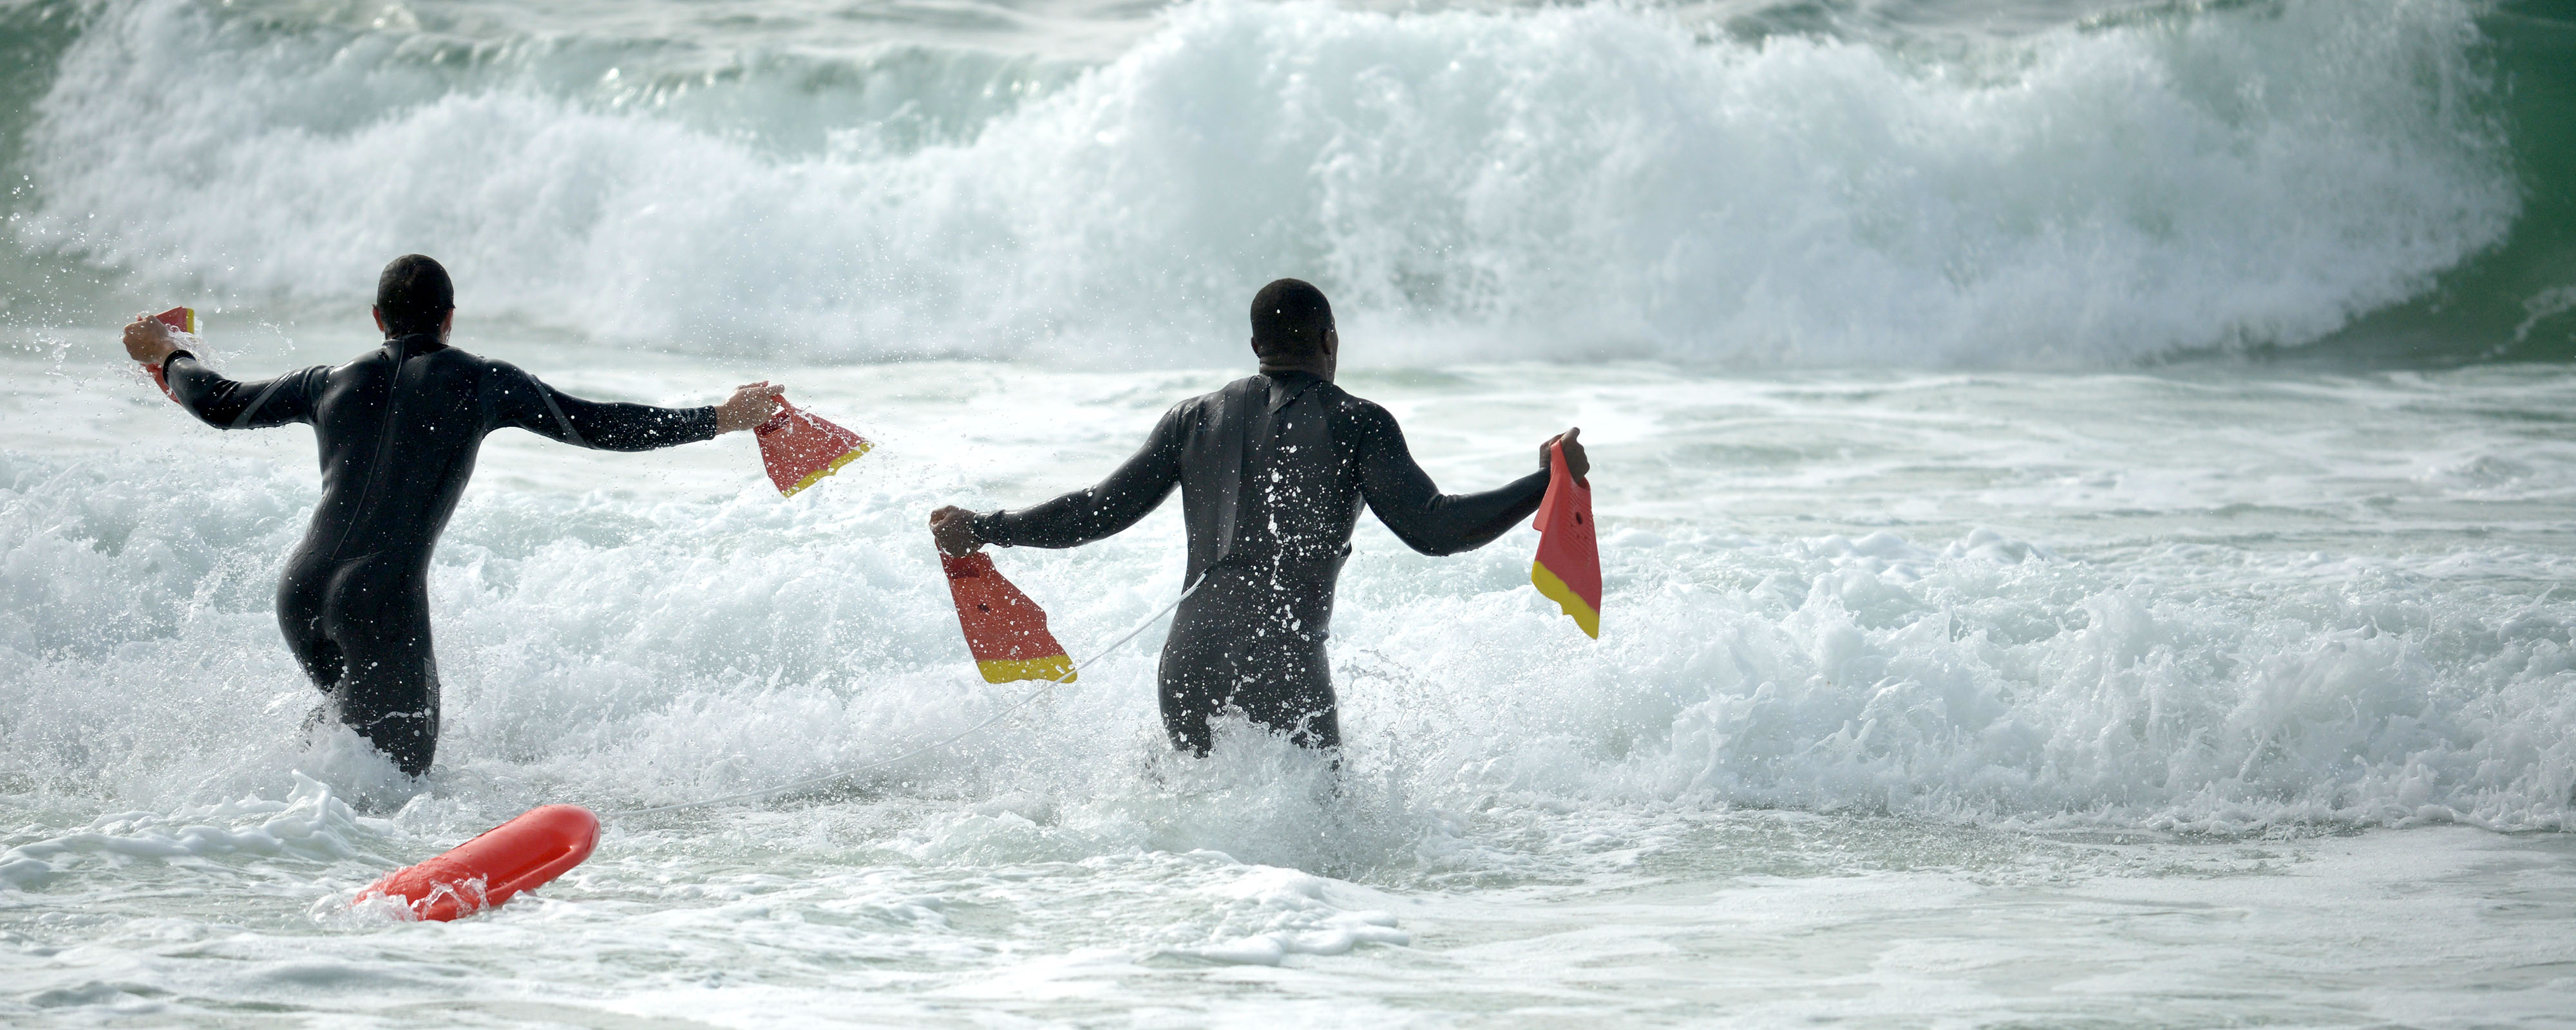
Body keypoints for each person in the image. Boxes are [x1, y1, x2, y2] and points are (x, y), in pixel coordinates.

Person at [118, 254, 786, 777]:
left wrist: (167, 353)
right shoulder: (481, 382)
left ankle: (282, 836)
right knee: (395, 783)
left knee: (351, 748)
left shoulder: (328, 383)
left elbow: (219, 402)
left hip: (299, 594)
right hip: (379, 602)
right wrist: (721, 418)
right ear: (451, 317)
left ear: (378, 319)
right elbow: (598, 425)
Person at [930, 278, 1587, 756]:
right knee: (1315, 859)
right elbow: (1436, 529)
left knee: (1203, 853)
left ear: (1255, 345)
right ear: (1331, 340)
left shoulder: (1192, 418)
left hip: (1184, 665)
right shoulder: (1357, 422)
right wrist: (1544, 481)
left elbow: (1095, 511)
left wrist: (988, 526)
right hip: (1282, 660)